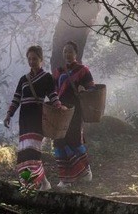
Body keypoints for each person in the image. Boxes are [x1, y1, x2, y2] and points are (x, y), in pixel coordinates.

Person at [3, 45, 56, 190]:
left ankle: (36, 184)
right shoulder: (23, 80)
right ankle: (38, 183)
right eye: (29, 59)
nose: (32, 61)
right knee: (25, 153)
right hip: (24, 120)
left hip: (38, 119)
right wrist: (9, 114)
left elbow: (53, 95)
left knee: (33, 151)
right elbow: (16, 99)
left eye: (35, 59)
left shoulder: (47, 78)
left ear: (41, 60)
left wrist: (59, 107)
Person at [53, 40, 94, 187]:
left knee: (74, 140)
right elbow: (54, 91)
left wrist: (84, 91)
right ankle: (66, 178)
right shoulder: (58, 71)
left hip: (76, 110)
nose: (67, 54)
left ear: (76, 53)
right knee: (58, 142)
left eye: (70, 51)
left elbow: (92, 89)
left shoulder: (83, 70)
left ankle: (85, 170)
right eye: (65, 51)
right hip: (60, 111)